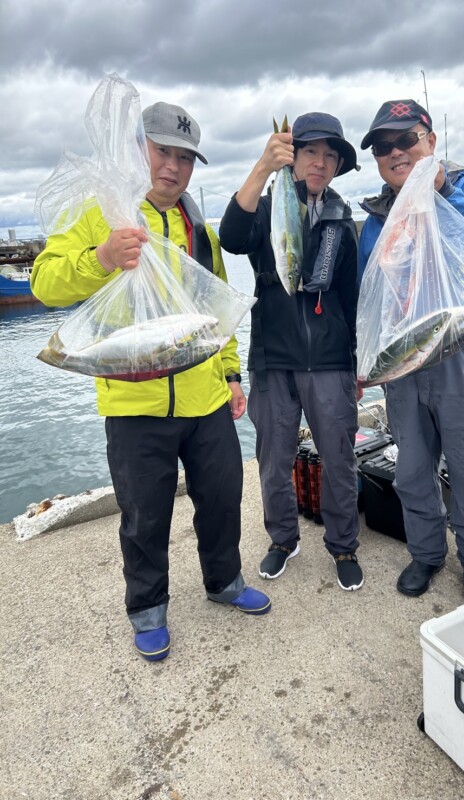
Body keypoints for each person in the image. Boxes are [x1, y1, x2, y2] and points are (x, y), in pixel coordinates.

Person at [31, 101, 271, 662]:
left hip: (205, 396)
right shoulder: (101, 212)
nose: (174, 167)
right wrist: (102, 257)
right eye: (164, 151)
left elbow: (218, 313)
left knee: (222, 497)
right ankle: (146, 607)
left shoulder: (198, 228)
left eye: (186, 158)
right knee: (144, 513)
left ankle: (224, 582)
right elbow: (45, 282)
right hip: (135, 400)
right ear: (138, 150)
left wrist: (232, 374)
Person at [358, 99, 464, 603]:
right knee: (412, 468)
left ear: (431, 141)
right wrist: (366, 361)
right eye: (384, 146)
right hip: (404, 361)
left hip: (461, 351)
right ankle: (425, 553)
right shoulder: (378, 216)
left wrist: (441, 191)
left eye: (407, 139)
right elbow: (369, 296)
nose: (396, 152)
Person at [219, 112, 363, 591]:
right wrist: (263, 166)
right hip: (273, 361)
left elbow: (352, 297)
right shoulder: (265, 209)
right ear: (293, 157)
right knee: (273, 459)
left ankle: (343, 545)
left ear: (338, 164)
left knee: (339, 460)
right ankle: (283, 539)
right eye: (309, 152)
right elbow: (231, 237)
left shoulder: (343, 221)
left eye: (329, 155)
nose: (319, 162)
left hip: (330, 362)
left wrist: (358, 363)